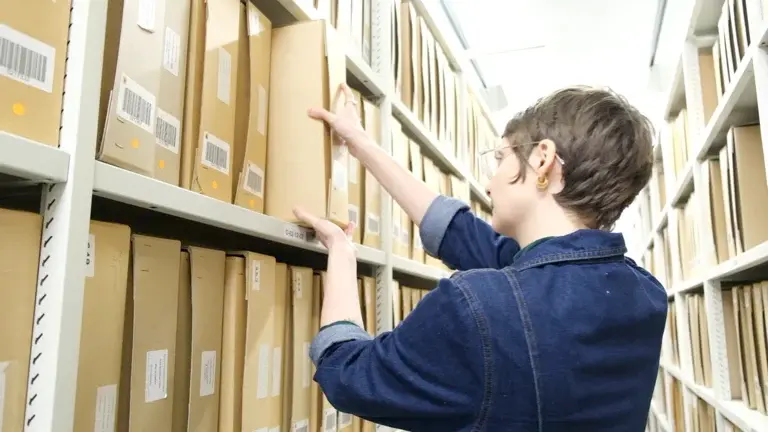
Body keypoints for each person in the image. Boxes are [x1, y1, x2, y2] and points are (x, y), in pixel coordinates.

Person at [291, 84, 667, 432]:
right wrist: (358, 142)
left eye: (501, 157)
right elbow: (466, 238)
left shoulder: (479, 307)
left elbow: (351, 377)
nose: (488, 183)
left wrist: (341, 254)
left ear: (543, 159)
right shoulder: (644, 295)